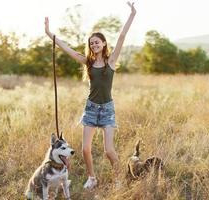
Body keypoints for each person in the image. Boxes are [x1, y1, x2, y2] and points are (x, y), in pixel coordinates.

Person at [44, 1, 136, 189]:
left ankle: (119, 178)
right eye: (91, 43)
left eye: (97, 42)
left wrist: (132, 13)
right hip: (91, 109)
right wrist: (49, 33)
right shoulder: (88, 62)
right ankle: (92, 177)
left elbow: (122, 36)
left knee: (109, 150)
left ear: (103, 44)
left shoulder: (111, 61)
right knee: (85, 149)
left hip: (107, 110)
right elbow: (66, 48)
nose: (94, 44)